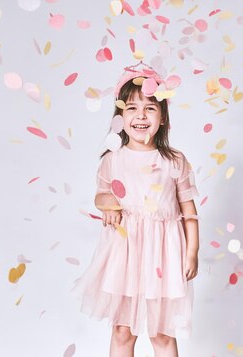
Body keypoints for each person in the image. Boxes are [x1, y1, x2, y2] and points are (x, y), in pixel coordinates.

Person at [71, 62, 200, 357]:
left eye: (150, 109)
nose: (141, 116)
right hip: (125, 253)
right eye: (131, 108)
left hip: (164, 254)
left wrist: (191, 251)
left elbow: (189, 212)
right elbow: (101, 195)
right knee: (122, 330)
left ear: (163, 118)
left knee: (163, 333)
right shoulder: (113, 160)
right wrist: (109, 205)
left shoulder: (174, 160)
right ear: (120, 118)